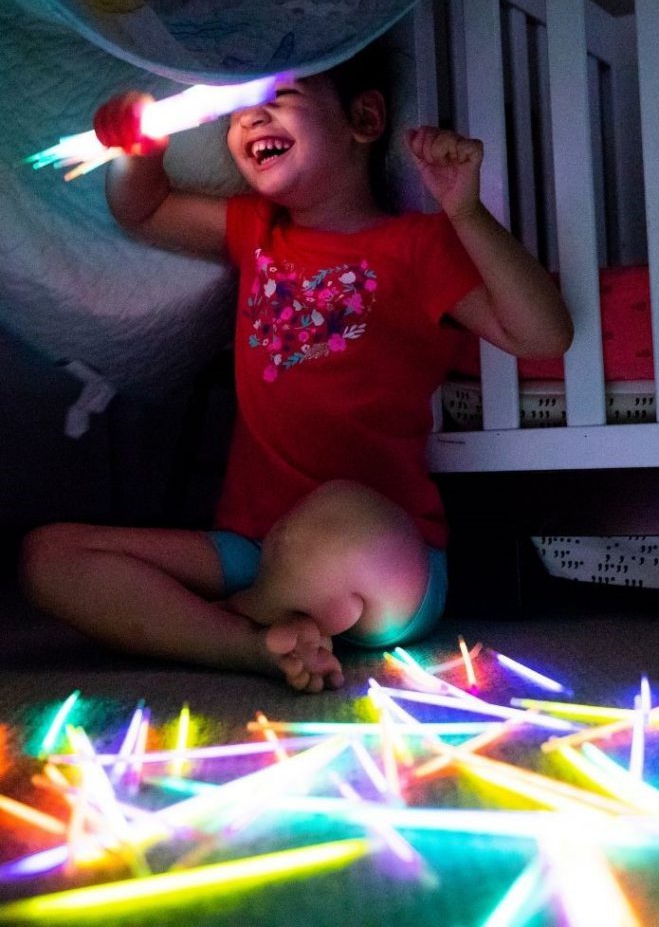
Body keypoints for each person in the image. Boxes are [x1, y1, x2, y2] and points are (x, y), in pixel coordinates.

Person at [18, 43, 573, 693]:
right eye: (235, 112)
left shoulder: (416, 246)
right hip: (249, 547)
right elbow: (141, 210)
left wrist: (465, 211)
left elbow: (544, 335)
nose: (249, 120)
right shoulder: (258, 230)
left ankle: (213, 625)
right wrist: (139, 147)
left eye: (275, 98)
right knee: (47, 556)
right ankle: (249, 646)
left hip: (379, 552)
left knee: (334, 518)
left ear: (363, 120)